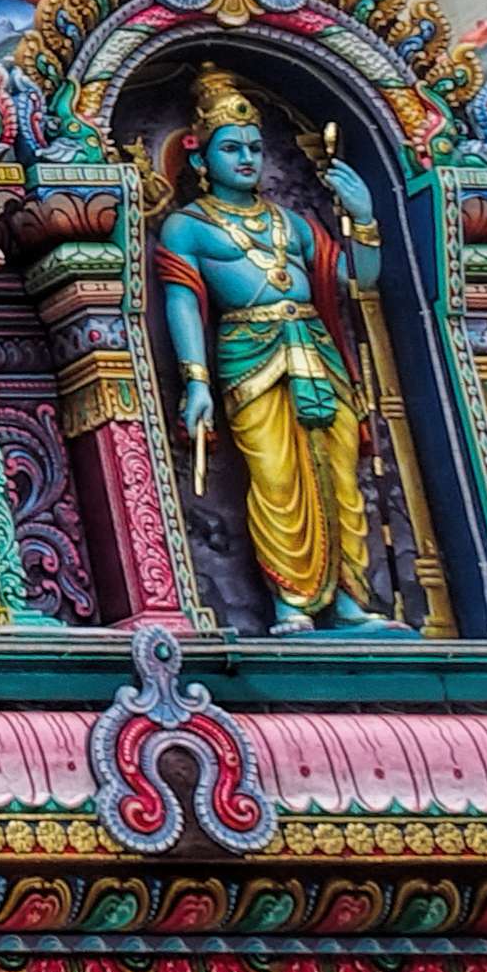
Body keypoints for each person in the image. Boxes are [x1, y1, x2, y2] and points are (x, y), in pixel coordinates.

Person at [151, 72, 396, 631]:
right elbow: (183, 305)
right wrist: (195, 384)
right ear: (200, 160)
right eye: (231, 149)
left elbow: (361, 279)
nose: (246, 159)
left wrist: (362, 218)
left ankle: (349, 601)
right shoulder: (188, 228)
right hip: (250, 355)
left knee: (340, 478)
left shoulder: (295, 225)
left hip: (316, 353)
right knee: (277, 478)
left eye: (255, 148)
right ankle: (292, 603)